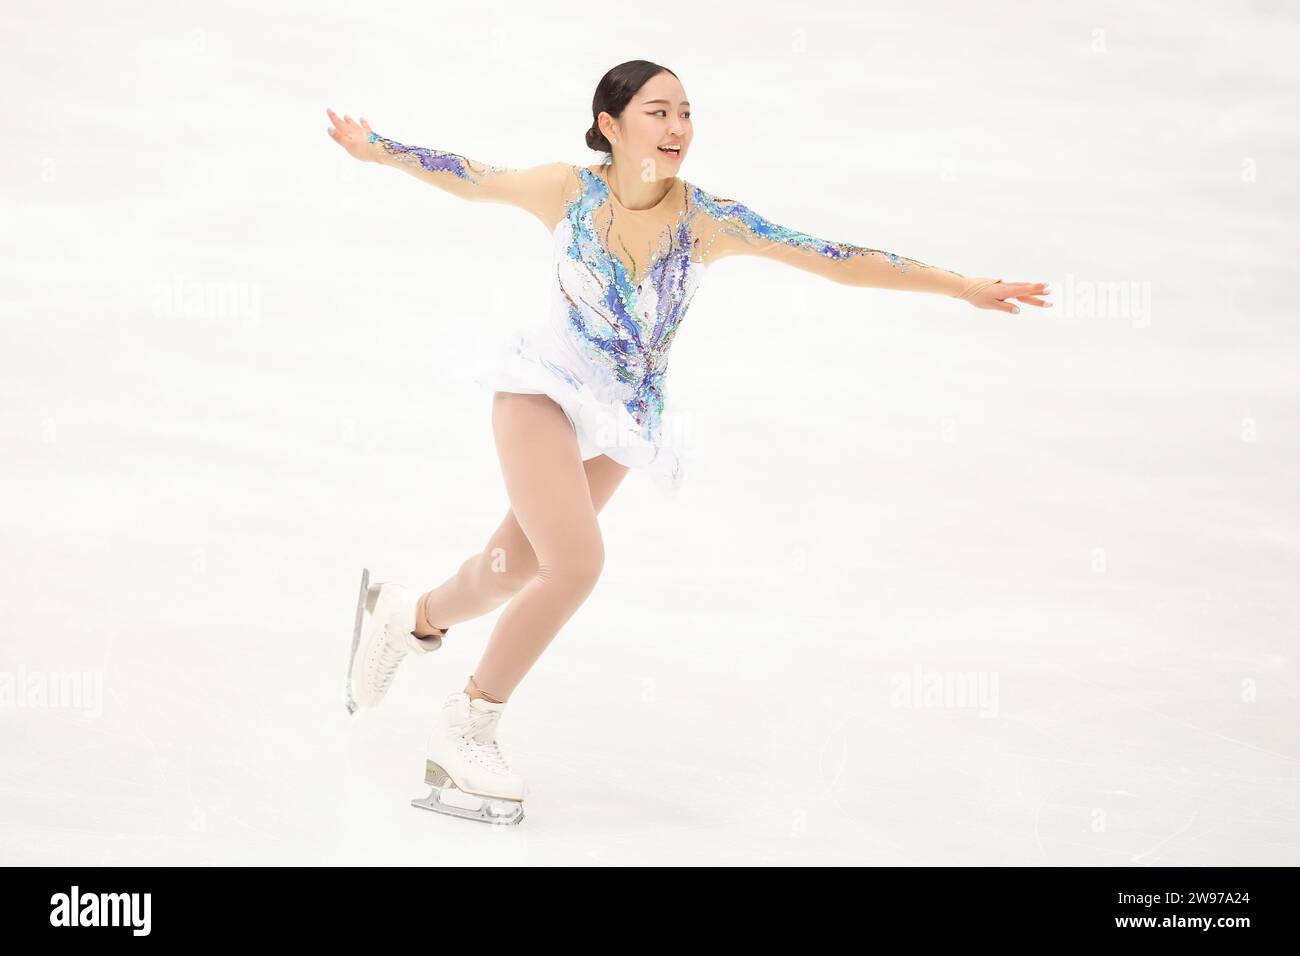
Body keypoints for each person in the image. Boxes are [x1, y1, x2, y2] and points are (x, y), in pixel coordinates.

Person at [327, 60, 1051, 824]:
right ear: (610, 125)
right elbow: (471, 174)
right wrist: (378, 148)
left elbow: (834, 257)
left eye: (685, 114)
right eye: (657, 112)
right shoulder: (566, 190)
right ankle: (469, 723)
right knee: (575, 564)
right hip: (542, 391)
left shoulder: (707, 220)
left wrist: (960, 284)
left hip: (620, 419)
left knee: (513, 570)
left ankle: (412, 614)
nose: (676, 128)